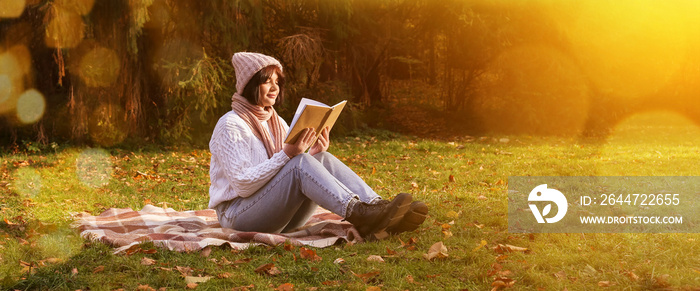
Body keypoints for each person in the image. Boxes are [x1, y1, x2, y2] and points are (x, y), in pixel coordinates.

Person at [208, 52, 428, 240]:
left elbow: (284, 171)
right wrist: (288, 155)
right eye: (267, 81)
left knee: (318, 158)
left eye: (277, 81)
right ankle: (361, 214)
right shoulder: (231, 125)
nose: (274, 87)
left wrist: (314, 154)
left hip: (277, 214)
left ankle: (379, 208)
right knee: (299, 162)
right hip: (237, 216)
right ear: (250, 84)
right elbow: (243, 185)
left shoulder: (276, 121)